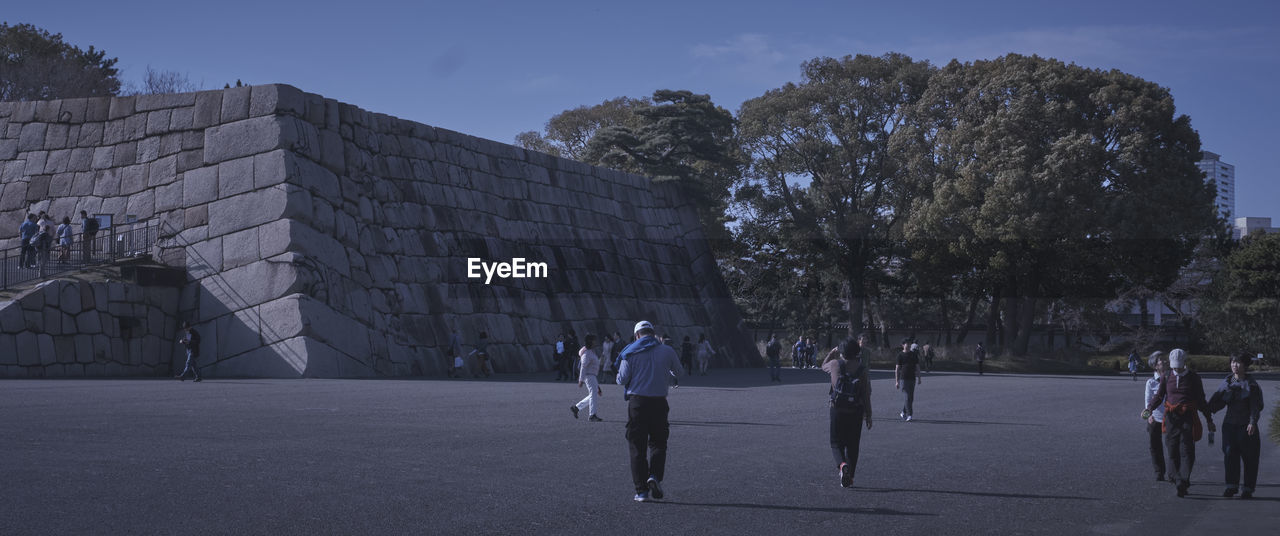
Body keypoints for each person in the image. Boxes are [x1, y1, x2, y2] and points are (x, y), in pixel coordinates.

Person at [616, 320, 682, 502]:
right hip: (660, 403)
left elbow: (621, 380)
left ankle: (641, 491)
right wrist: (663, 374)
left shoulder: (630, 352)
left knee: (637, 446)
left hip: (637, 403)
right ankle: (654, 476)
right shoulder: (667, 351)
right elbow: (680, 372)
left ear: (637, 335)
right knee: (659, 443)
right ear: (653, 334)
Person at [1143, 349, 1216, 497]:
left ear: (1184, 363)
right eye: (1174, 366)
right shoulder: (1167, 376)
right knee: (1172, 449)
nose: (1176, 369)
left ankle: (1183, 479)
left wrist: (1209, 419)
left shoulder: (1194, 378)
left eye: (1179, 366)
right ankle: (1178, 479)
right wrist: (1149, 409)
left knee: (1187, 450)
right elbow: (1159, 396)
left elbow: (1201, 400)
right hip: (1171, 417)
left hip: (1188, 417)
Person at [1209, 354, 1264, 499]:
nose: (1235, 365)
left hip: (1246, 426)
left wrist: (1252, 421)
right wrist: (1206, 409)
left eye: (1238, 363)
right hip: (1229, 425)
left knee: (1250, 458)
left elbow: (1255, 406)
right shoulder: (1227, 381)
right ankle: (1231, 486)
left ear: (1245, 365)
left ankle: (1248, 489)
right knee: (1229, 455)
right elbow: (1217, 402)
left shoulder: (1251, 384)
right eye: (1233, 362)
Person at [823, 337, 873, 488]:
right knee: (853, 446)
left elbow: (822, 365)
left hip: (837, 408)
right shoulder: (861, 369)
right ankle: (850, 477)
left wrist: (832, 353)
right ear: (857, 352)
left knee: (835, 442)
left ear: (842, 351)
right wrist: (868, 414)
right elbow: (865, 393)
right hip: (855, 411)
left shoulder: (834, 364)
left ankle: (842, 465)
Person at [1143, 352, 1173, 483]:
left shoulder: (1173, 378)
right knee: (1154, 446)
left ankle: (1173, 473)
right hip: (1155, 418)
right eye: (1161, 360)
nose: (1165, 362)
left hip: (1171, 418)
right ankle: (1159, 472)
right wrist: (1149, 415)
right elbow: (1148, 400)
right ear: (1155, 366)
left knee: (1172, 446)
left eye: (1165, 359)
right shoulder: (1150, 382)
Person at [571, 334, 604, 422]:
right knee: (593, 394)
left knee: (594, 394)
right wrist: (580, 380)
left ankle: (577, 407)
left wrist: (598, 387)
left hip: (592, 376)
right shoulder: (586, 353)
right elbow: (583, 366)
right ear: (590, 341)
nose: (595, 342)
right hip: (588, 376)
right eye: (594, 340)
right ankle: (592, 415)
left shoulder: (591, 351)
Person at [896, 339, 922, 421]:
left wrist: (919, 378)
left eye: (909, 344)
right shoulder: (900, 355)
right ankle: (909, 415)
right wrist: (897, 381)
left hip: (912, 378)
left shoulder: (913, 355)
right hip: (903, 378)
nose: (908, 346)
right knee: (907, 397)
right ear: (903, 345)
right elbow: (897, 369)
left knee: (911, 398)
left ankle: (903, 412)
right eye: (907, 344)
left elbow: (917, 367)